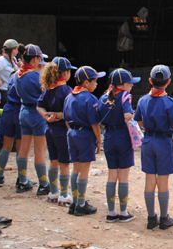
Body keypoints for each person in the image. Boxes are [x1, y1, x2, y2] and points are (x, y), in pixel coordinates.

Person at [135, 65, 173, 230]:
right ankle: (164, 218)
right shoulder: (170, 103)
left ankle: (151, 218)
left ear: (150, 81)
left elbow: (139, 122)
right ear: (169, 82)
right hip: (163, 142)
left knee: (150, 180)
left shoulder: (142, 100)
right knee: (162, 181)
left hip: (148, 141)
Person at [98, 69, 141, 223]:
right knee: (123, 176)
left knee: (112, 175)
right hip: (122, 136)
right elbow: (128, 115)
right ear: (122, 85)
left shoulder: (103, 97)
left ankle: (111, 212)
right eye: (130, 83)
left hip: (108, 136)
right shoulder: (125, 96)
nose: (131, 86)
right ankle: (123, 212)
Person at [63, 66, 105, 217]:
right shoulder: (90, 98)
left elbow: (66, 119)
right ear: (86, 83)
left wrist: (71, 131)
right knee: (84, 170)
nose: (96, 84)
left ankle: (75, 202)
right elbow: (94, 123)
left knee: (76, 168)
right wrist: (99, 140)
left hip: (71, 133)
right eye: (95, 81)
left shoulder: (69, 96)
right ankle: (81, 204)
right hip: (85, 134)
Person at [37, 57, 74, 203]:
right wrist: (60, 115)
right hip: (62, 130)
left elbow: (39, 106)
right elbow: (70, 111)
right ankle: (64, 195)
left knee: (53, 161)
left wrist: (46, 116)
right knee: (64, 163)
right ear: (64, 73)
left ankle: (53, 192)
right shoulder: (66, 90)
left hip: (49, 129)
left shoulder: (48, 89)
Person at [15, 45, 49, 194]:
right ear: (35, 59)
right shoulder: (36, 76)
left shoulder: (18, 74)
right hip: (37, 113)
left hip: (24, 111)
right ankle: (43, 183)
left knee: (24, 148)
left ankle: (22, 181)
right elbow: (46, 94)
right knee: (40, 150)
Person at [0, 45, 25, 189]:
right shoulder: (28, 76)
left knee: (6, 146)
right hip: (20, 110)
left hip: (8, 109)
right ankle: (21, 179)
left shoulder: (14, 75)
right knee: (20, 147)